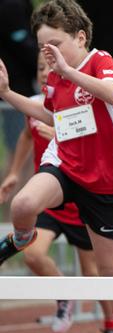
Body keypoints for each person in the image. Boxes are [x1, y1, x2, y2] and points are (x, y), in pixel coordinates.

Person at [0, 0, 113, 333]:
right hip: (64, 164)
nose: (49, 54)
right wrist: (7, 94)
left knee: (110, 271)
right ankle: (20, 238)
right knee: (23, 205)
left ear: (80, 38)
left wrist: (67, 69)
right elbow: (49, 113)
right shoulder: (56, 77)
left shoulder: (100, 61)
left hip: (104, 180)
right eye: (44, 47)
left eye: (56, 44)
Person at [0, 0, 39, 220]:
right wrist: (48, 64)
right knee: (19, 156)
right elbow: (25, 46)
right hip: (13, 94)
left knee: (25, 154)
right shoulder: (9, 5)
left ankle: (19, 221)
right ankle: (10, 222)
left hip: (19, 93)